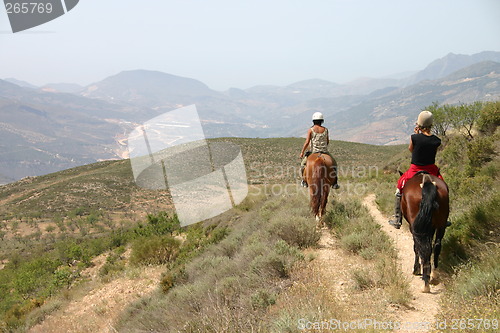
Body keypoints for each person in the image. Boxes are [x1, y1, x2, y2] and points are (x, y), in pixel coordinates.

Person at [388, 110, 447, 229]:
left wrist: (417, 135)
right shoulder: (436, 140)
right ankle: (444, 218)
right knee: (444, 188)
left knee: (400, 188)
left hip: (415, 169)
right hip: (431, 170)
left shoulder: (414, 138)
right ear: (431, 125)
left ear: (419, 125)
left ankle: (397, 218)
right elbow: (433, 153)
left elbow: (411, 150)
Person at [299, 112, 339, 189]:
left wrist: (302, 152)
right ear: (322, 121)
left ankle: (304, 181)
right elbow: (327, 141)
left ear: (313, 121)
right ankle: (335, 182)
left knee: (303, 164)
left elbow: (307, 142)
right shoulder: (326, 130)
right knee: (334, 164)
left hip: (314, 152)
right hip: (324, 152)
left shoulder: (310, 130)